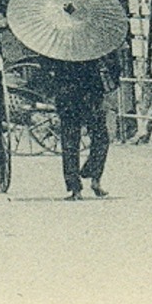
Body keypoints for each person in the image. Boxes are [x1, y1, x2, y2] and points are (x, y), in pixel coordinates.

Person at [41, 56, 113, 201]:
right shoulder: (92, 40)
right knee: (100, 137)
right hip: (90, 92)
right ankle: (93, 178)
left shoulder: (58, 45)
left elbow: (45, 66)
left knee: (70, 141)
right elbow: (110, 62)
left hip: (68, 92)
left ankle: (76, 187)